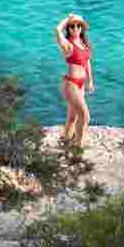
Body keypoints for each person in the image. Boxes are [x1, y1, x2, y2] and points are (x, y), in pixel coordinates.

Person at [55, 14, 93, 150]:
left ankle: (65, 142)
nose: (75, 28)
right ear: (68, 28)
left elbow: (87, 62)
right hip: (70, 84)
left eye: (78, 25)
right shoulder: (68, 45)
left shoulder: (83, 44)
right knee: (85, 116)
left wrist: (90, 81)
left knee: (73, 117)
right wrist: (67, 18)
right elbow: (57, 30)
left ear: (82, 28)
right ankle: (78, 146)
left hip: (81, 84)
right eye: (72, 26)